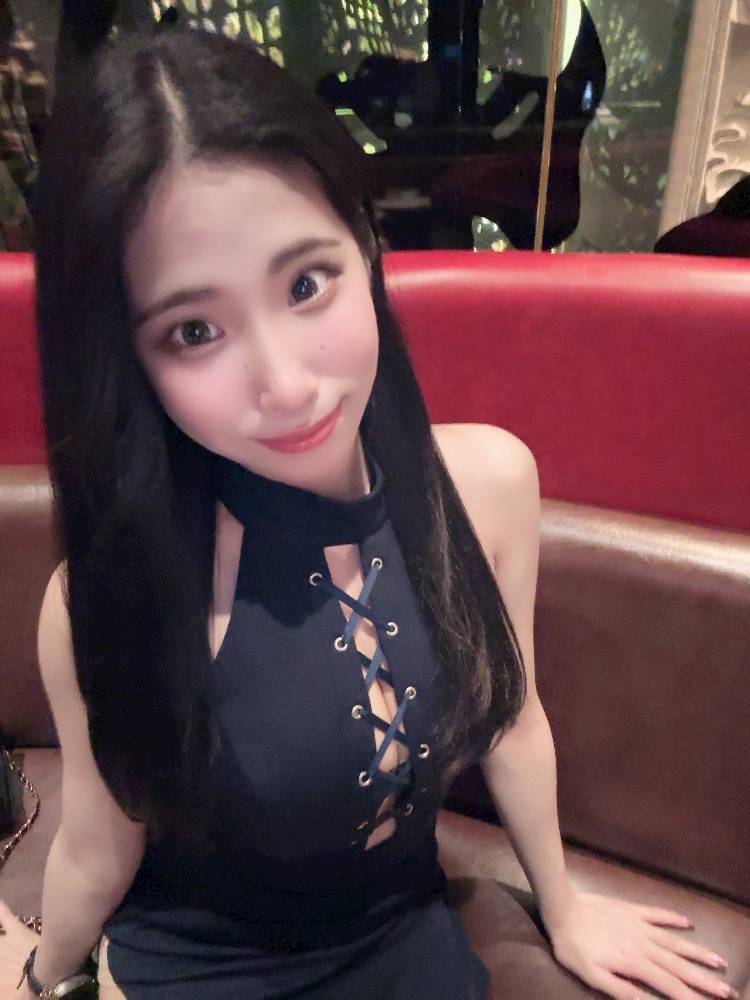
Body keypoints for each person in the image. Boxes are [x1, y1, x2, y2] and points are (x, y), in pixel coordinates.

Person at [0, 26, 734, 1000]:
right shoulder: (110, 595)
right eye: (195, 330)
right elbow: (98, 850)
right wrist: (42, 977)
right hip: (208, 966)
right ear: (129, 362)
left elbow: (513, 720)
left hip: (403, 932)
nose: (287, 384)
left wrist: (562, 908)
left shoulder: (489, 483)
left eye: (306, 283)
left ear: (368, 246)